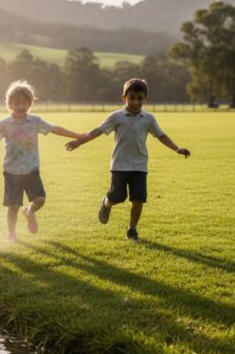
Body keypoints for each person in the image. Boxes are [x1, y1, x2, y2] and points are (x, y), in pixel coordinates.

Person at [66, 78, 191, 241]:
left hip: (139, 166)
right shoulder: (116, 117)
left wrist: (177, 148)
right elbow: (98, 130)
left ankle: (132, 229)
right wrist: (79, 141)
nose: (136, 102)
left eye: (140, 98)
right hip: (119, 165)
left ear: (145, 98)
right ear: (124, 98)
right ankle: (106, 203)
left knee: (138, 199)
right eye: (131, 98)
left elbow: (161, 135)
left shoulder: (149, 118)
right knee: (117, 196)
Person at [0, 80, 84, 240]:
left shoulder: (35, 122)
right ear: (9, 104)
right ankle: (11, 234)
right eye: (16, 103)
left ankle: (29, 212)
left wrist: (77, 136)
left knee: (40, 200)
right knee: (13, 206)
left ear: (29, 104)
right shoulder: (4, 124)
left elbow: (55, 129)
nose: (20, 106)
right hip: (11, 172)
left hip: (31, 170)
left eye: (24, 103)